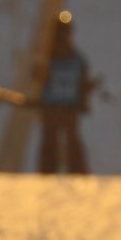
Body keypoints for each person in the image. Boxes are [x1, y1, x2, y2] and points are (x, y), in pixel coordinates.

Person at [36, 10, 96, 175]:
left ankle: (76, 174)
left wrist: (83, 100)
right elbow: (38, 78)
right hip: (52, 109)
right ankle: (49, 174)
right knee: (51, 143)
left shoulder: (76, 59)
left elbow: (82, 82)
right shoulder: (47, 58)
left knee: (71, 143)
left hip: (68, 109)